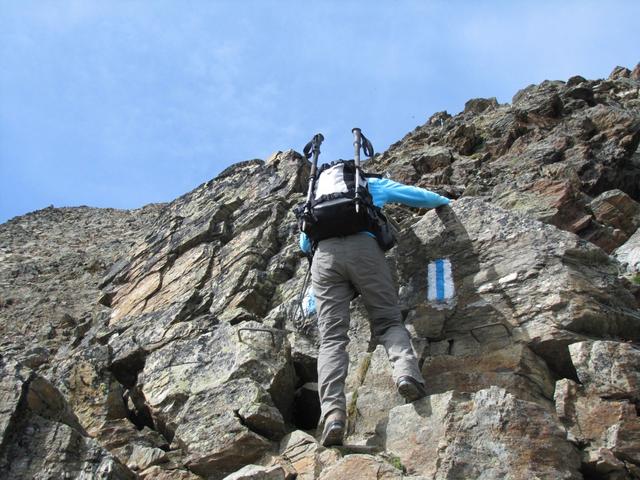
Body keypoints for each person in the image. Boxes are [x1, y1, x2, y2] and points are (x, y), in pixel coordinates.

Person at [298, 174, 450, 446]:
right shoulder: (368, 185)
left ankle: (333, 415)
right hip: (364, 250)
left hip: (325, 259)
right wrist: (443, 201)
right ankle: (406, 375)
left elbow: (303, 244)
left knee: (332, 339)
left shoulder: (315, 197)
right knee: (388, 321)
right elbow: (416, 196)